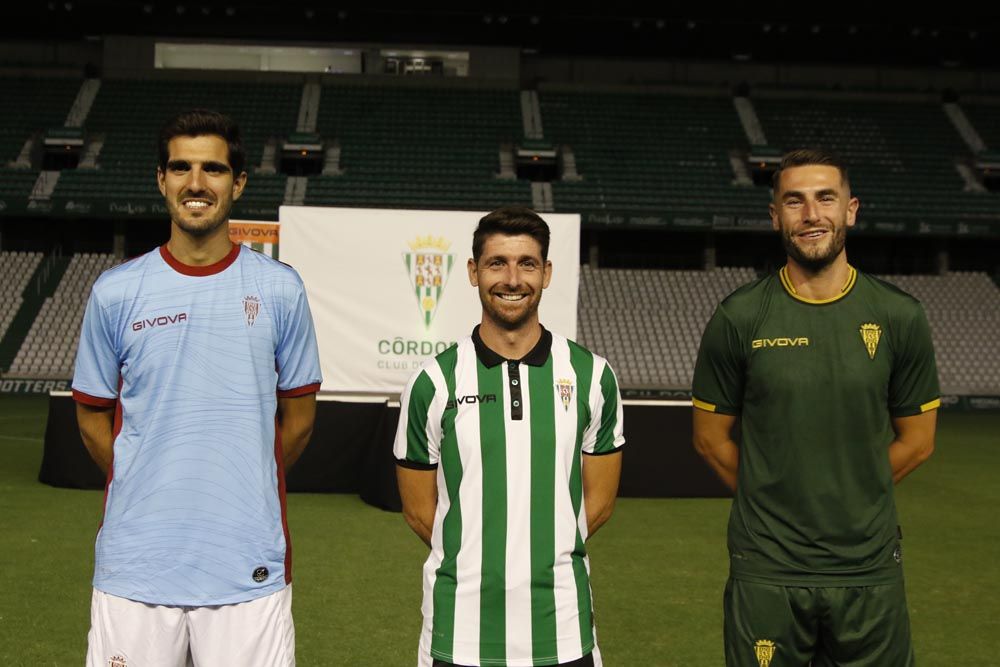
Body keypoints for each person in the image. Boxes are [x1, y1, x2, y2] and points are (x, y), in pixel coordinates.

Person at [73, 109, 322, 666]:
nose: (196, 183)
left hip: (246, 567)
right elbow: (91, 416)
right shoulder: (115, 293)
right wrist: (147, 482)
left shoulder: (280, 290)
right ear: (161, 179)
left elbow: (300, 418)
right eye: (180, 167)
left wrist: (245, 486)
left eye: (213, 168)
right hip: (135, 567)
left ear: (237, 183)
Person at [692, 148, 940, 666]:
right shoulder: (739, 317)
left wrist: (851, 497)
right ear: (775, 215)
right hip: (768, 570)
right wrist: (778, 504)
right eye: (794, 202)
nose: (811, 215)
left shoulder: (899, 316)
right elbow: (710, 440)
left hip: (867, 568)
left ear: (850, 209)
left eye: (826, 199)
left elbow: (918, 441)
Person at [394, 206, 624, 667]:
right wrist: (480, 555)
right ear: (474, 272)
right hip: (460, 629)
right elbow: (421, 513)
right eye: (497, 263)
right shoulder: (433, 382)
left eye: (528, 264)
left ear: (547, 273)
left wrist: (544, 553)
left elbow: (597, 503)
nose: (513, 279)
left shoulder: (592, 376)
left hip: (561, 625)